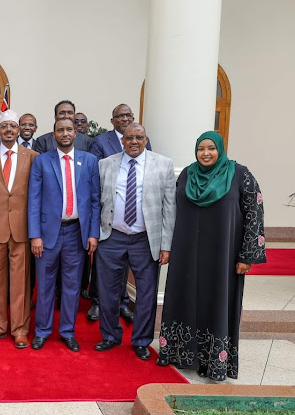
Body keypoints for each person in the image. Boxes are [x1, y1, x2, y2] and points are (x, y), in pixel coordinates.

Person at [157, 131, 266, 381]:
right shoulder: (187, 174)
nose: (205, 153)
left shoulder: (240, 175)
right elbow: (172, 210)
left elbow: (254, 213)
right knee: (184, 299)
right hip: (186, 254)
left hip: (223, 257)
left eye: (211, 148)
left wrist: (247, 255)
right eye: (200, 149)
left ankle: (215, 362)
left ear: (220, 149)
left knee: (217, 302)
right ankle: (181, 353)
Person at [94, 123, 175, 360]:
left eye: (139, 137)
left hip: (145, 239)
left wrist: (166, 245)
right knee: (108, 291)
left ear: (146, 139)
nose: (134, 142)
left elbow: (169, 208)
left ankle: (141, 340)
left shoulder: (163, 164)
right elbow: (96, 201)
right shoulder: (105, 165)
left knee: (146, 293)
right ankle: (109, 336)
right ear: (122, 141)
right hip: (112, 237)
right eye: (129, 138)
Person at [28, 117, 100, 352]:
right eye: (61, 130)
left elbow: (94, 201)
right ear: (54, 134)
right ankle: (42, 331)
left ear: (76, 133)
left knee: (71, 286)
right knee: (46, 284)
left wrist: (93, 233)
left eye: (69, 129)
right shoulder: (41, 161)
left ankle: (68, 331)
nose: (66, 134)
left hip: (76, 232)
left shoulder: (89, 161)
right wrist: (35, 235)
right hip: (48, 233)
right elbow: (34, 200)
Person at [0, 110, 38, 349]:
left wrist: (35, 232)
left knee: (21, 281)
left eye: (13, 126)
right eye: (5, 127)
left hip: (22, 228)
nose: (9, 130)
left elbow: (35, 197)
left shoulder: (33, 157)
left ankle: (20, 329)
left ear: (19, 129)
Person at [88, 104, 151, 323]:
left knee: (137, 281)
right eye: (120, 116)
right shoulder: (102, 145)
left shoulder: (147, 149)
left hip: (140, 232)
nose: (124, 118)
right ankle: (100, 308)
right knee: (107, 278)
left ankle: (125, 307)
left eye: (128, 115)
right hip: (111, 226)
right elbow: (96, 185)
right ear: (113, 121)